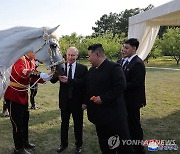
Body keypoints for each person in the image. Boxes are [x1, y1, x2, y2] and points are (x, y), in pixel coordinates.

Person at [82, 44, 134, 154]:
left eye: (89, 56)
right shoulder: (92, 70)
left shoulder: (114, 67)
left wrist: (103, 98)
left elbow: (120, 86)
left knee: (121, 145)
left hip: (114, 117)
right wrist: (85, 102)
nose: (89, 59)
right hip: (99, 117)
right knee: (104, 143)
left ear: (97, 54)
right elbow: (87, 86)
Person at [4, 52, 52, 154]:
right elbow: (23, 72)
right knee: (17, 123)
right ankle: (18, 148)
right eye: (34, 52)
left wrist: (45, 77)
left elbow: (33, 75)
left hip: (23, 95)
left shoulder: (29, 61)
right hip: (14, 96)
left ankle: (25, 142)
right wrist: (40, 74)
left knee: (25, 120)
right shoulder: (18, 59)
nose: (35, 55)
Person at [51, 47, 88, 154]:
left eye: (73, 55)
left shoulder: (83, 68)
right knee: (64, 124)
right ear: (65, 55)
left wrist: (85, 102)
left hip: (77, 102)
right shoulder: (61, 67)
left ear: (77, 56)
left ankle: (79, 145)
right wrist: (53, 73)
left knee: (78, 124)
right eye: (69, 55)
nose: (70, 57)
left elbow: (84, 84)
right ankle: (63, 144)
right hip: (64, 101)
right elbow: (53, 80)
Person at [118, 38, 146, 154]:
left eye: (126, 48)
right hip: (122, 100)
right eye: (123, 47)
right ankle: (127, 146)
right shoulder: (120, 61)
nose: (123, 50)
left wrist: (119, 86)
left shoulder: (138, 63)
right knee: (124, 124)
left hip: (133, 101)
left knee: (134, 125)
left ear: (134, 49)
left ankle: (139, 148)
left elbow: (136, 83)